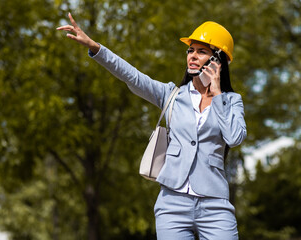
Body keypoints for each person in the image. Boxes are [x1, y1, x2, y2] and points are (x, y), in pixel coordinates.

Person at [57, 13, 247, 240]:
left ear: (219, 60)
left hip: (215, 204)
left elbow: (235, 138)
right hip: (172, 204)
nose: (192, 56)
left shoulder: (231, 101)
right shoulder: (172, 95)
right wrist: (97, 48)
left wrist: (217, 95)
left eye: (201, 51)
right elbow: (133, 77)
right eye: (190, 50)